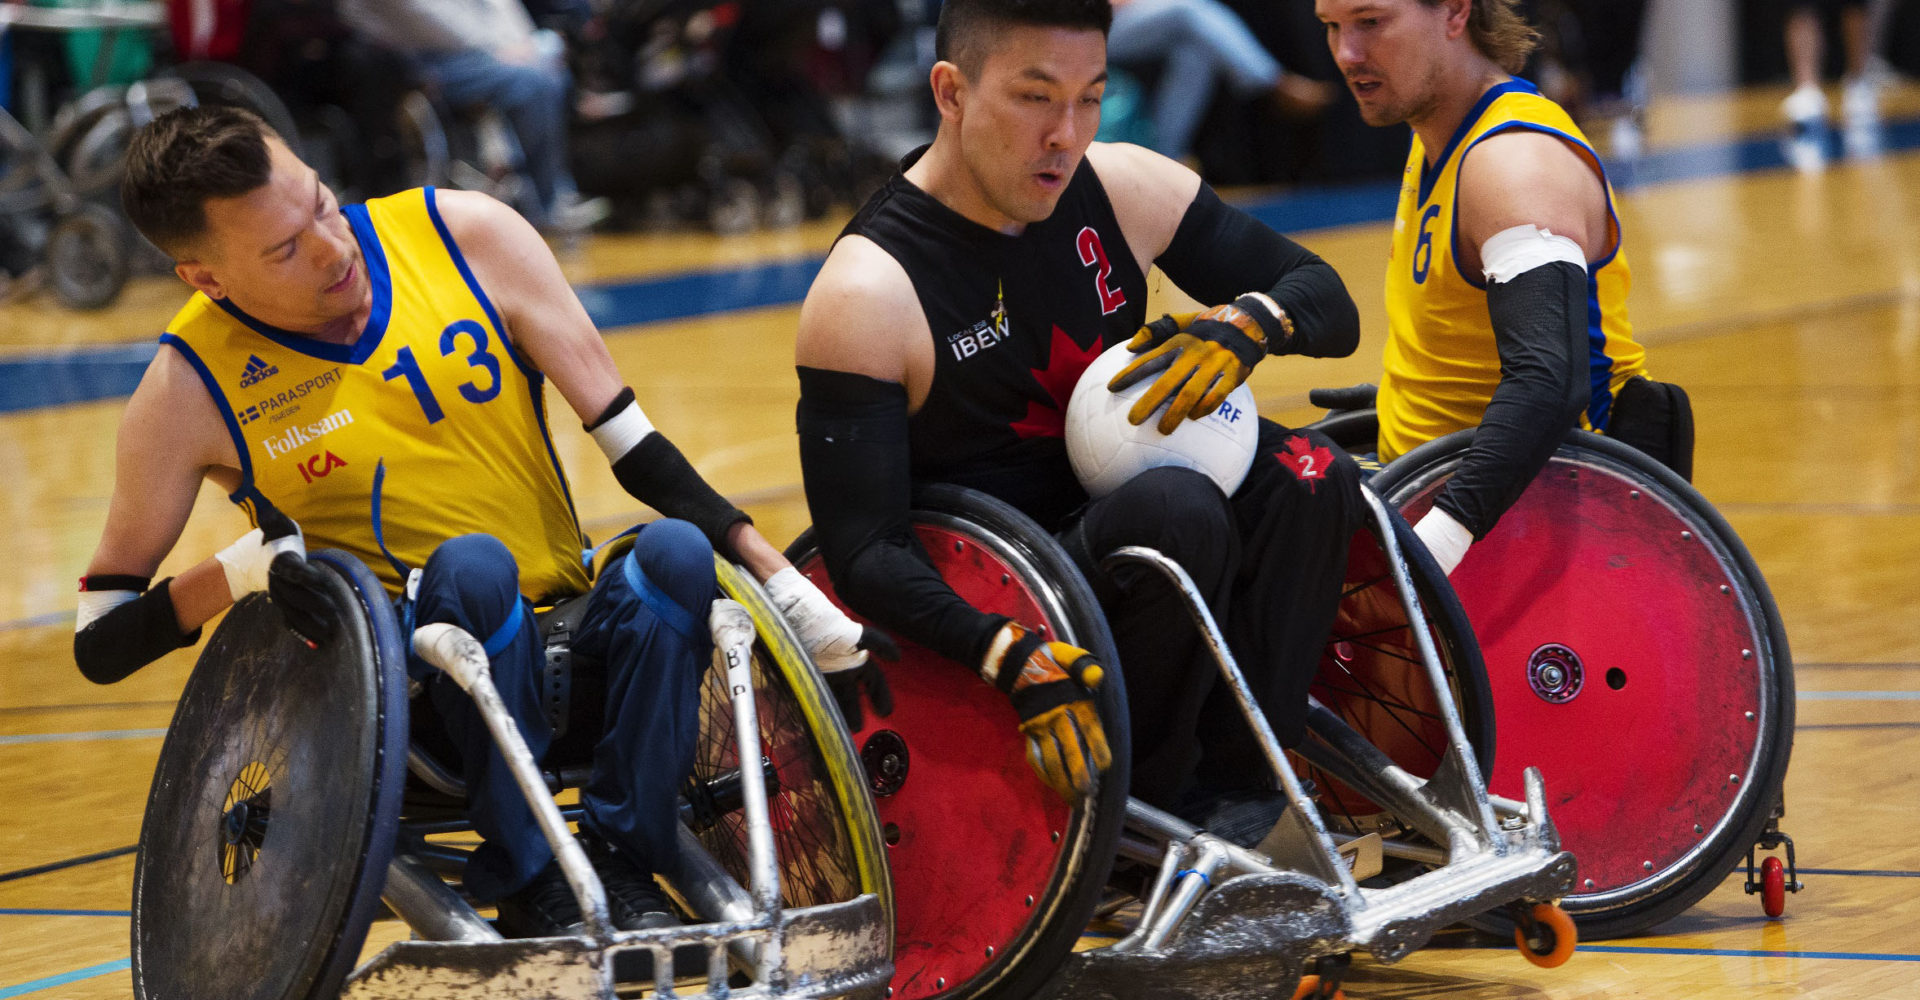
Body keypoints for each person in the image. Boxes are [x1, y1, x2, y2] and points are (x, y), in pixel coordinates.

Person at [73, 106, 890, 938]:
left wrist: (780, 579)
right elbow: (100, 639)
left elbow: (635, 446)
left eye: (321, 203)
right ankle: (531, 875)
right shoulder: (184, 392)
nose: (331, 246)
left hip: (568, 641)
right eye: (285, 249)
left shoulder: (464, 234)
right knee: (473, 569)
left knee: (674, 554)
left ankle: (626, 850)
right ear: (205, 279)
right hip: (404, 698)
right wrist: (242, 571)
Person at [794, 0, 1364, 838]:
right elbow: (863, 553)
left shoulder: (1124, 185)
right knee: (1177, 511)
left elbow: (1327, 300)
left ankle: (1249, 788)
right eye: (1035, 98)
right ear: (950, 91)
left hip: (1136, 521)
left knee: (1312, 475)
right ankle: (1144, 822)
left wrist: (1249, 325)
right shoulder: (865, 294)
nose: (1066, 133)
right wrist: (1000, 650)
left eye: (1090, 96)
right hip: (1014, 589)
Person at [1315, 0, 1685, 574]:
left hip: (1541, 523)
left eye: (1370, 22)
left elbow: (1549, 383)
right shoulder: (1438, 130)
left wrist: (1437, 540)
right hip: (1430, 475)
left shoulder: (1513, 164)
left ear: (1456, 12)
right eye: (1332, 27)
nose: (1347, 53)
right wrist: (1398, 400)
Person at [338, 0, 608, 232]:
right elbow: (427, 19)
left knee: (549, 68)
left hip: (475, 50)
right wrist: (494, 51)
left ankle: (549, 189)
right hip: (420, 57)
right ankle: (546, 202)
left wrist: (520, 45)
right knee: (531, 83)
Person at [1107, 0, 1334, 162]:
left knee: (1195, 51)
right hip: (1085, 27)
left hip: (1113, 22)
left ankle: (1164, 157)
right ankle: (1273, 82)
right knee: (1189, 10)